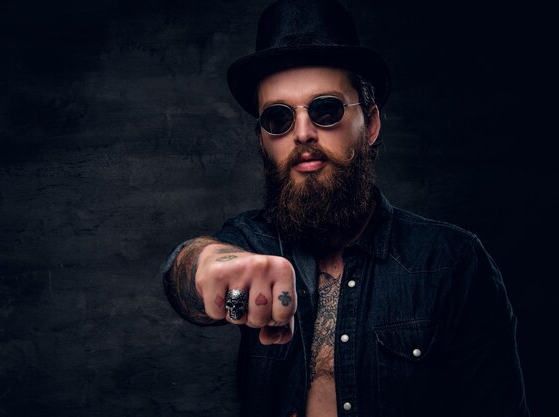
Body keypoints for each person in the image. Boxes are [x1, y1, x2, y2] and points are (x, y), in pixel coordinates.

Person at [162, 0, 529, 416]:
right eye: (278, 119)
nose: (302, 133)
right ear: (264, 139)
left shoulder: (452, 264)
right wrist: (209, 263)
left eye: (325, 109)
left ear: (370, 124)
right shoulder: (254, 241)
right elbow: (185, 274)